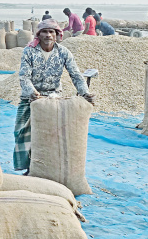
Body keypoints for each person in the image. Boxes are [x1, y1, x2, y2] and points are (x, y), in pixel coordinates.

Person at [14, 19, 93, 172]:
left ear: (57, 35)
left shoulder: (63, 52)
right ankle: (28, 167)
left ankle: (46, 167)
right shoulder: (29, 51)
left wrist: (85, 93)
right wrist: (32, 93)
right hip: (31, 98)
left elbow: (75, 75)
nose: (48, 35)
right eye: (45, 31)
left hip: (53, 98)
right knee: (21, 132)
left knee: (50, 135)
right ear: (39, 34)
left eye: (52, 32)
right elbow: (24, 76)